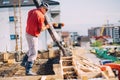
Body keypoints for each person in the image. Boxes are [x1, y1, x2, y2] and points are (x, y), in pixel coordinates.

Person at [21, 2, 50, 75]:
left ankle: (24, 62)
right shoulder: (41, 16)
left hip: (27, 33)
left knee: (31, 49)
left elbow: (32, 21)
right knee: (34, 53)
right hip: (33, 35)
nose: (46, 12)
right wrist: (47, 26)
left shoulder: (32, 11)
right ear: (42, 8)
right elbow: (41, 29)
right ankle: (28, 71)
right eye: (46, 10)